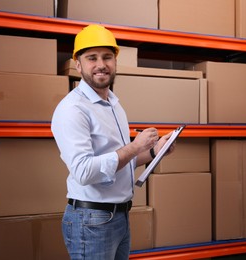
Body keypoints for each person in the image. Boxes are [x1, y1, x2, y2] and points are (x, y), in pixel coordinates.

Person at [51, 24, 175, 260]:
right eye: (92, 58)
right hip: (92, 221)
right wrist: (135, 146)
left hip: (119, 216)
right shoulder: (72, 109)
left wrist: (154, 152)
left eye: (107, 57)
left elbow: (120, 162)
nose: (101, 64)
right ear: (78, 64)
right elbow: (84, 172)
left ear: (115, 62)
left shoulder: (113, 104)